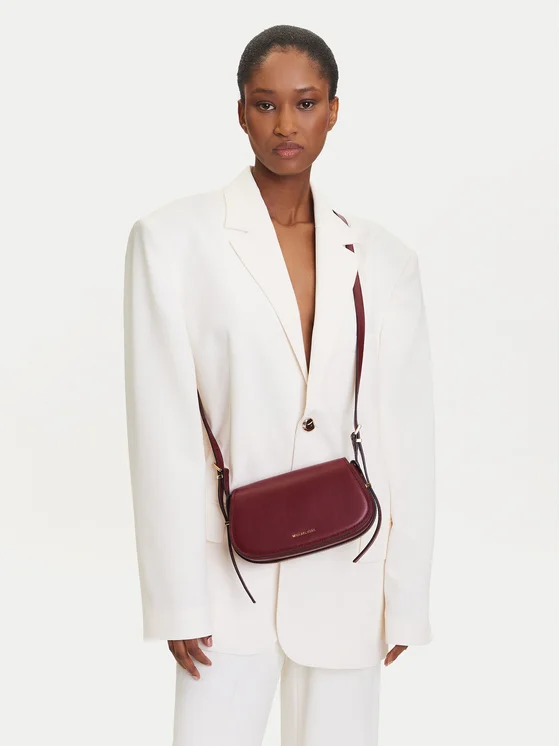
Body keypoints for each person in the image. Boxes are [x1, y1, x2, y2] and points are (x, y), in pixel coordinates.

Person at [123, 24, 436, 746]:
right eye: (266, 104)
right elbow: (161, 426)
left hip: (351, 567)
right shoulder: (171, 241)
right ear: (241, 112)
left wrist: (407, 593)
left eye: (305, 102)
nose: (286, 124)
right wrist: (175, 598)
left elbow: (407, 434)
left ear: (333, 110)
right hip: (225, 576)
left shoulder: (384, 258)